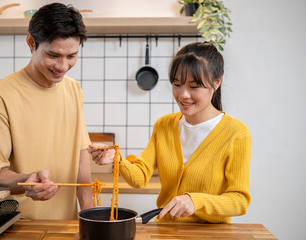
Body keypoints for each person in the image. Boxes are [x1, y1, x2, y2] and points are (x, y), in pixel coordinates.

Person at [89, 42, 252, 223]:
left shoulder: (236, 133)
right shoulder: (164, 125)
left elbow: (239, 200)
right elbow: (140, 177)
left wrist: (195, 200)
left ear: (216, 82)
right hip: (165, 232)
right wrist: (117, 158)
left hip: (209, 235)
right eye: (177, 84)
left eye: (194, 86)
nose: (183, 95)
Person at [0, 3, 93, 220]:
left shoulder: (73, 89)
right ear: (31, 42)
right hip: (17, 226)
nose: (63, 66)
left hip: (65, 226)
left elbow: (80, 156)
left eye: (71, 56)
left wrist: (89, 214)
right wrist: (26, 180)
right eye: (53, 55)